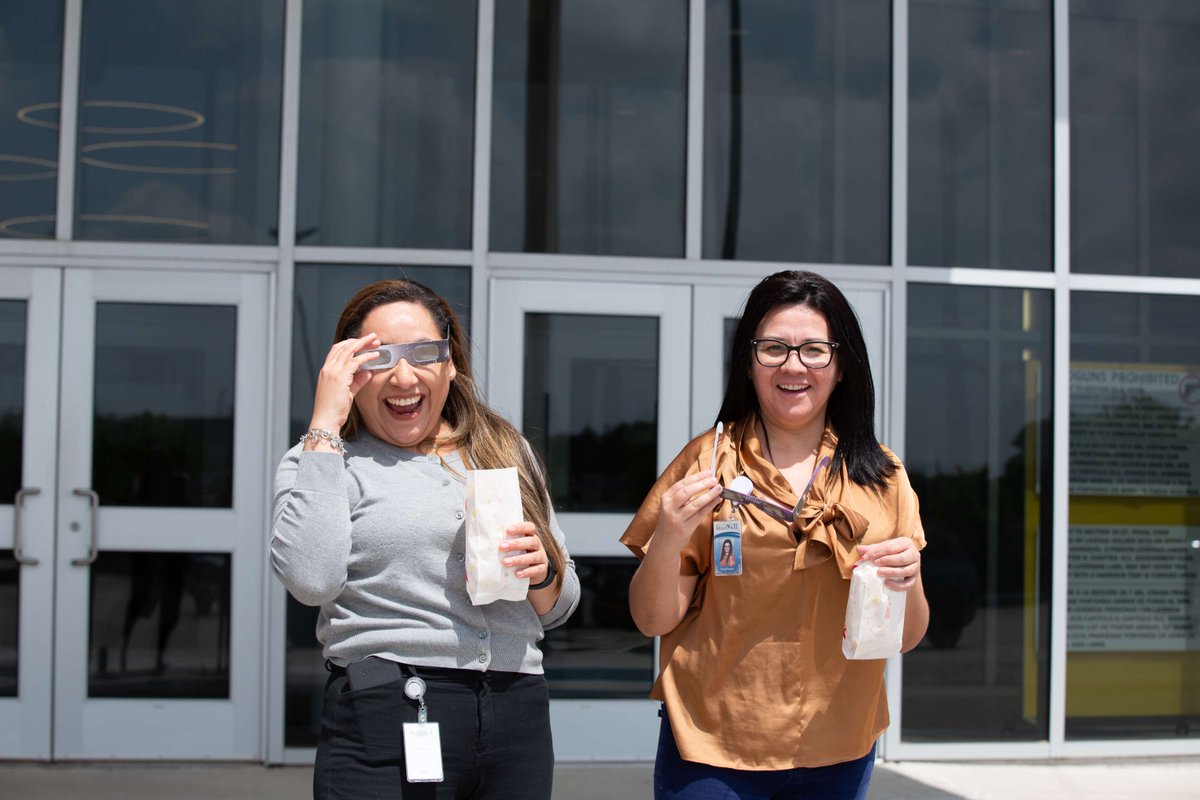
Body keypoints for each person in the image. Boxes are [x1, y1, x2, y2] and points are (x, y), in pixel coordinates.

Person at [622, 270, 928, 800]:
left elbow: (903, 636)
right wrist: (669, 537)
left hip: (840, 742)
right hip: (714, 742)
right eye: (773, 348)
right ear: (748, 360)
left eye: (814, 350)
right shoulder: (705, 463)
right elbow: (653, 618)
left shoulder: (881, 476)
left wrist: (910, 578)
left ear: (842, 365)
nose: (793, 366)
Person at [272, 279, 580, 800]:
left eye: (423, 353)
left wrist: (543, 571)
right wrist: (325, 422)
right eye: (379, 357)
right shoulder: (325, 464)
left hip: (515, 706)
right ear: (347, 373)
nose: (403, 374)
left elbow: (559, 607)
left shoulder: (506, 450)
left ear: (450, 363)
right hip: (389, 703)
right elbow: (311, 580)